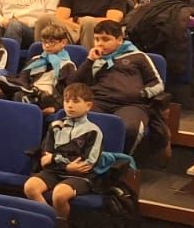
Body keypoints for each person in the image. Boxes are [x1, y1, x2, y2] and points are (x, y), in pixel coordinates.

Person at [67, 19, 164, 153]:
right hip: (99, 101)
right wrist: (89, 61)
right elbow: (74, 84)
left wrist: (141, 94)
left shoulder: (138, 56)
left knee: (129, 128)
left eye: (106, 39)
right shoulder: (95, 59)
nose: (100, 44)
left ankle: (120, 162)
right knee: (75, 120)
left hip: (130, 104)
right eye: (97, 39)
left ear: (119, 39)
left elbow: (157, 83)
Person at [23, 82, 105, 221]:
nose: (70, 105)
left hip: (81, 177)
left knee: (59, 195)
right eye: (67, 101)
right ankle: (50, 223)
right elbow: (45, 158)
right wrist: (65, 165)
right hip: (55, 172)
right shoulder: (56, 126)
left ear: (88, 106)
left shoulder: (93, 131)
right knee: (30, 187)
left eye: (76, 101)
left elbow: (87, 164)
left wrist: (55, 159)